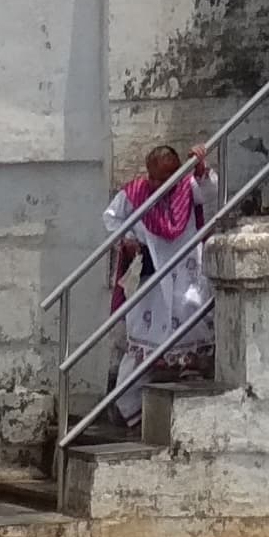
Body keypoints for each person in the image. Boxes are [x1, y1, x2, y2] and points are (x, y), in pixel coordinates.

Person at [104, 144, 214, 403]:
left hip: (186, 273)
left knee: (191, 316)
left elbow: (210, 192)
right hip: (150, 275)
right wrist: (128, 237)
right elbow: (111, 218)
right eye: (156, 178)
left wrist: (200, 168)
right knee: (144, 336)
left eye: (167, 178)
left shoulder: (188, 187)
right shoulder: (136, 193)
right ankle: (127, 403)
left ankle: (190, 374)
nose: (161, 185)